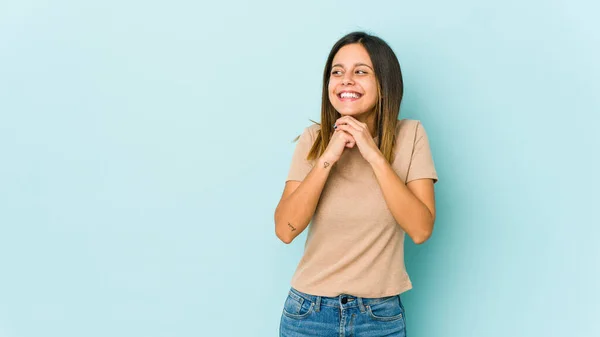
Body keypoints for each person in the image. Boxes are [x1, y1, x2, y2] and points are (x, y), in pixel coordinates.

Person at [274, 31, 439, 337]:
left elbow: (420, 229)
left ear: (384, 82)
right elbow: (285, 229)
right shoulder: (313, 140)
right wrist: (328, 157)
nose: (346, 80)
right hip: (308, 313)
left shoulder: (411, 135)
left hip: (378, 317)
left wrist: (373, 155)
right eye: (337, 72)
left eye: (361, 72)